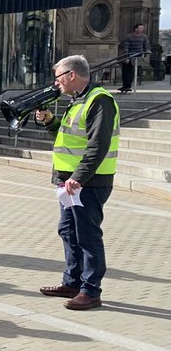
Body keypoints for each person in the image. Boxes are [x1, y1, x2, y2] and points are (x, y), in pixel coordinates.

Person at [33, 54, 118, 311]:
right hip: (70, 182)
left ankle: (91, 291)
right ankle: (72, 282)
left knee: (88, 236)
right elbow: (69, 137)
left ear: (71, 75)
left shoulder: (99, 100)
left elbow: (98, 144)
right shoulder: (77, 100)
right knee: (68, 232)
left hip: (88, 183)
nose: (56, 83)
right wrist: (50, 122)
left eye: (58, 77)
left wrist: (79, 178)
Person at [118, 22, 150, 93]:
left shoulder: (144, 37)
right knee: (125, 71)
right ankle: (125, 86)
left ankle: (128, 86)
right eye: (140, 28)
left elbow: (146, 46)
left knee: (132, 72)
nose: (141, 29)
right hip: (129, 55)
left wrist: (144, 55)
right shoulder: (129, 37)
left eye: (142, 28)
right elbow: (126, 47)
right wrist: (126, 57)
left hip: (138, 56)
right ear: (136, 29)